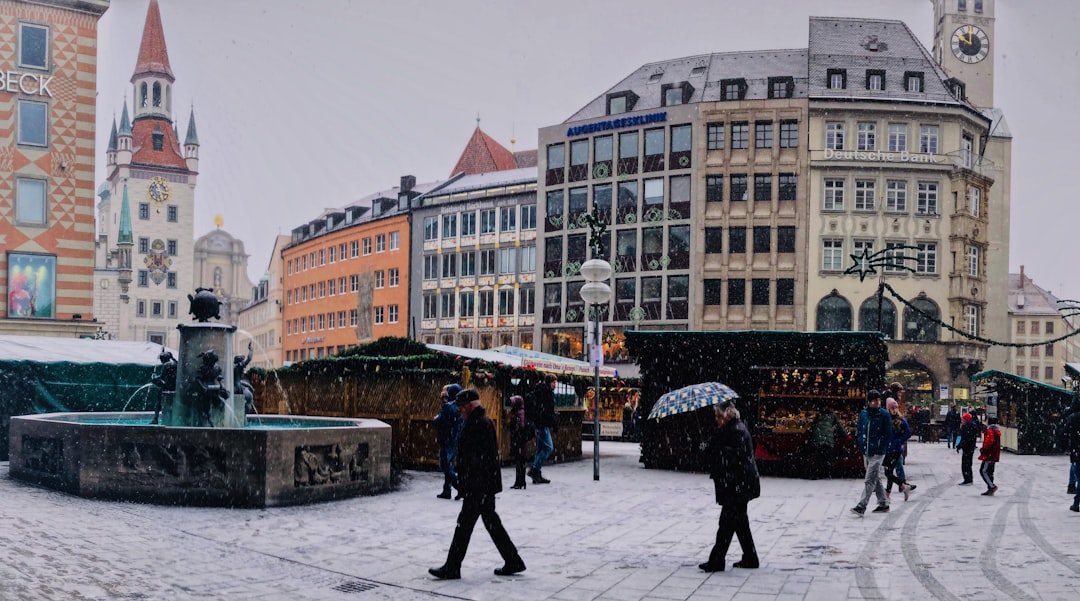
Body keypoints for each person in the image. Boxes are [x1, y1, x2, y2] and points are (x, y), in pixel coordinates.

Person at [429, 389, 526, 580]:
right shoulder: (480, 422)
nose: (460, 412)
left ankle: (452, 567)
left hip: (478, 486)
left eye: (462, 408)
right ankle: (513, 560)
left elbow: (479, 459)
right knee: (491, 524)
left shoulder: (479, 424)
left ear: (470, 406)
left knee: (464, 526)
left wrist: (471, 484)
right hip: (482, 485)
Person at [699, 399, 760, 572]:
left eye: (718, 416)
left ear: (727, 415)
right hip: (738, 485)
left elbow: (734, 459)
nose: (716, 420)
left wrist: (715, 449)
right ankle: (750, 557)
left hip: (737, 486)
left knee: (726, 524)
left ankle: (717, 561)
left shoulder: (736, 431)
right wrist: (710, 446)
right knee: (740, 523)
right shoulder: (731, 429)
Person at [851, 390, 892, 516]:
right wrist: (861, 443)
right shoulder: (864, 414)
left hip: (878, 452)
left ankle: (861, 505)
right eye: (874, 401)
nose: (877, 403)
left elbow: (887, 434)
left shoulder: (884, 415)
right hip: (866, 450)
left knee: (869, 479)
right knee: (875, 477)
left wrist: (881, 447)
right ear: (869, 402)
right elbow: (859, 429)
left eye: (879, 400)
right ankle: (884, 503)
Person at [433, 383, 463, 500]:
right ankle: (447, 490)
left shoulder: (448, 407)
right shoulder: (461, 407)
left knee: (445, 466)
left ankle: (460, 487)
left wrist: (435, 419)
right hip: (456, 439)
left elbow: (440, 421)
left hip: (446, 439)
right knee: (449, 464)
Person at [528, 374, 558, 485]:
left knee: (540, 449)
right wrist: (551, 421)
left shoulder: (542, 391)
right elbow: (546, 410)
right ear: (549, 382)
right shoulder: (545, 393)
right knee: (548, 447)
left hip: (539, 423)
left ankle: (537, 474)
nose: (555, 385)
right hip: (542, 424)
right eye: (553, 382)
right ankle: (535, 469)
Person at [883, 398, 914, 501]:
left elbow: (908, 433)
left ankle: (902, 487)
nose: (894, 410)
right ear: (888, 409)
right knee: (889, 472)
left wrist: (899, 441)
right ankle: (891, 492)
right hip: (888, 449)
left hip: (896, 449)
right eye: (892, 408)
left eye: (896, 407)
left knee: (888, 472)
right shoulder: (886, 419)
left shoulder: (900, 419)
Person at [806, 404, 845, 479]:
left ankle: (817, 473)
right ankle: (826, 473)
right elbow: (839, 426)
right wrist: (846, 435)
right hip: (828, 438)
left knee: (819, 456)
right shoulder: (832, 416)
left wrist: (810, 432)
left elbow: (813, 425)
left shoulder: (818, 416)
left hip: (818, 436)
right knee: (827, 456)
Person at [507, 395, 529, 490]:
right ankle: (520, 481)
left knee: (519, 462)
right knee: (520, 462)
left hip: (519, 441)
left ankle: (519, 482)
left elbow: (520, 427)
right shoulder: (520, 412)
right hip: (520, 442)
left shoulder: (519, 413)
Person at [1063, 401, 1080, 511]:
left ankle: (1076, 502)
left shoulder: (1072, 418)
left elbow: (1064, 432)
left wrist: (1065, 446)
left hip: (1076, 451)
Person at [978, 416, 1002, 495]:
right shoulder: (996, 431)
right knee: (990, 472)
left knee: (983, 471)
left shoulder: (990, 431)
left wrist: (983, 449)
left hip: (989, 455)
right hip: (993, 454)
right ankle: (990, 488)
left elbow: (988, 442)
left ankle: (992, 486)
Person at [957, 412, 979, 485]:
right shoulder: (972, 426)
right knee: (968, 463)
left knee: (965, 464)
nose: (961, 421)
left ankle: (968, 479)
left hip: (967, 448)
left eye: (962, 419)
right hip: (970, 447)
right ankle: (969, 478)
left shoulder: (966, 427)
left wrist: (960, 445)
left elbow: (964, 438)